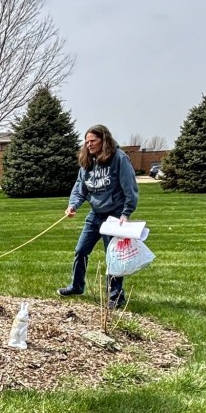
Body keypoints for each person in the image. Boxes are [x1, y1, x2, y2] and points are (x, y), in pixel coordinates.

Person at [58, 124, 139, 308]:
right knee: (81, 250)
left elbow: (130, 188)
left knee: (113, 256)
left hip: (115, 215)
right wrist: (73, 205)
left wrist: (126, 213)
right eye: (86, 142)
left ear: (104, 140)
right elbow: (80, 187)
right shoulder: (87, 162)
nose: (89, 145)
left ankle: (116, 296)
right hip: (95, 214)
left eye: (92, 141)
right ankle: (77, 286)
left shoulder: (119, 158)